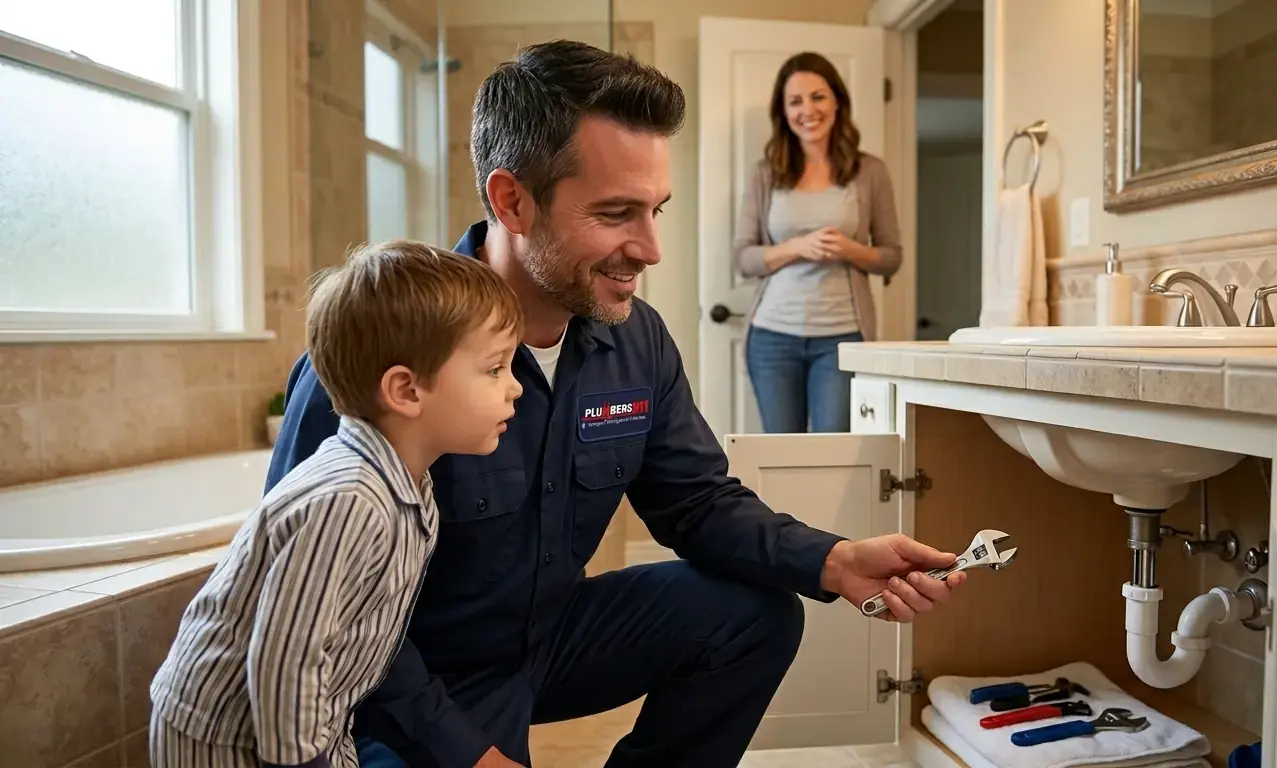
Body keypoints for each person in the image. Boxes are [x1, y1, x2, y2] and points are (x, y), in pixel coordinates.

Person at [268, 40, 964, 768]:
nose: (651, 248)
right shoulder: (381, 353)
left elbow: (696, 502)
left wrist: (833, 560)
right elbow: (318, 612)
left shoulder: (635, 340)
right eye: (616, 213)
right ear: (512, 201)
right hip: (407, 682)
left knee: (754, 614)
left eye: (656, 210)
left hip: (548, 638)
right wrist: (467, 752)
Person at [147, 241, 524, 768]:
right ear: (406, 391)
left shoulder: (409, 487)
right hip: (226, 737)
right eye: (495, 369)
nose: (515, 388)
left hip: (305, 722)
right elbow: (286, 660)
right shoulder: (349, 501)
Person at [733, 52, 902, 434]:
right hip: (771, 338)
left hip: (842, 339)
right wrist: (797, 246)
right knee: (782, 455)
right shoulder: (765, 173)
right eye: (795, 101)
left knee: (833, 453)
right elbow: (743, 258)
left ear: (837, 101)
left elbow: (892, 257)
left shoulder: (870, 171)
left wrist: (847, 248)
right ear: (783, 112)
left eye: (818, 97)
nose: (807, 110)